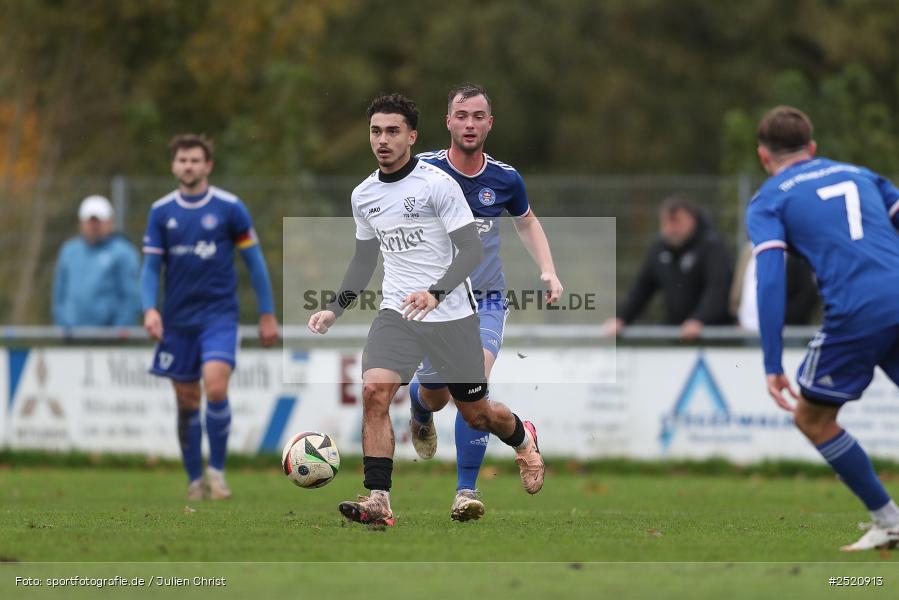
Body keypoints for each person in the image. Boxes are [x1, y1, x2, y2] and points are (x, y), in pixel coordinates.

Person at [307, 94, 544, 527]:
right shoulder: (364, 194)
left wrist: (436, 292)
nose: (383, 140)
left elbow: (471, 250)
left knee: (476, 412)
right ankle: (379, 499)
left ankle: (521, 437)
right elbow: (364, 260)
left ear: (412, 137)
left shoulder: (438, 185)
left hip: (452, 315)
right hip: (397, 313)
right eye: (376, 131)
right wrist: (334, 309)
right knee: (375, 391)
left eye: (393, 131)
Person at [748, 106, 899, 551]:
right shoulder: (863, 174)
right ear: (812, 148)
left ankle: (889, 521)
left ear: (763, 156)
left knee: (812, 417)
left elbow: (770, 278)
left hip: (857, 310)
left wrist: (772, 361)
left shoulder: (769, 199)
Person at [410, 83, 563, 521]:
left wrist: (548, 270)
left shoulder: (505, 178)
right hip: (434, 303)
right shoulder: (422, 171)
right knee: (437, 397)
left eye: (478, 116)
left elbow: (527, 223)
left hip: (486, 300)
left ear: (489, 124)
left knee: (469, 387)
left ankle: (465, 491)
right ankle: (423, 410)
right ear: (448, 122)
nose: (470, 124)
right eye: (462, 115)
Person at [140, 134, 279, 501]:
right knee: (187, 401)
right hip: (177, 323)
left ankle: (217, 474)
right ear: (174, 166)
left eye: (195, 160)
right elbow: (151, 268)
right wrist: (149, 308)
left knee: (215, 387)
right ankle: (194, 481)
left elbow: (255, 264)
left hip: (219, 316)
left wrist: (267, 313)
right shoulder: (161, 212)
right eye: (182, 160)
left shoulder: (230, 208)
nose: (188, 166)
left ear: (208, 166)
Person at [607, 196, 734, 339]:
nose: (671, 229)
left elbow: (718, 290)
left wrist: (699, 320)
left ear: (692, 220)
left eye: (677, 222)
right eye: (667, 223)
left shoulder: (713, 247)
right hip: (676, 334)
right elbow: (641, 289)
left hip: (715, 335)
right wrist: (621, 318)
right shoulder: (659, 249)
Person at [52, 195, 141, 327]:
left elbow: (131, 297)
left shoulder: (123, 252)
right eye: (90, 221)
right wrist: (63, 325)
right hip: (72, 337)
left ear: (110, 222)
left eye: (99, 221)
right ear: (81, 223)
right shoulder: (69, 251)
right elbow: (59, 295)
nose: (94, 226)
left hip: (109, 340)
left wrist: (118, 331)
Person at [730, 241, 819, 331]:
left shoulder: (795, 253)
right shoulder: (749, 249)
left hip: (786, 330)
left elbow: (807, 293)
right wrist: (736, 313)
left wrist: (784, 318)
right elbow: (739, 284)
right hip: (748, 326)